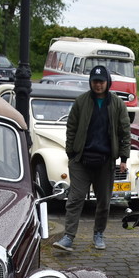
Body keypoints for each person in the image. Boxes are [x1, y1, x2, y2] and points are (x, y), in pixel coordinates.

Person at [53, 65, 130, 252]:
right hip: (81, 160)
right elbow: (71, 128)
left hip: (105, 161)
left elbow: (124, 132)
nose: (98, 85)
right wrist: (71, 153)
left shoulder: (117, 104)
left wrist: (124, 159)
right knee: (75, 199)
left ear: (107, 82)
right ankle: (68, 237)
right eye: (95, 81)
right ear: (91, 82)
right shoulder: (81, 101)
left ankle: (98, 234)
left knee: (104, 201)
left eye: (101, 81)